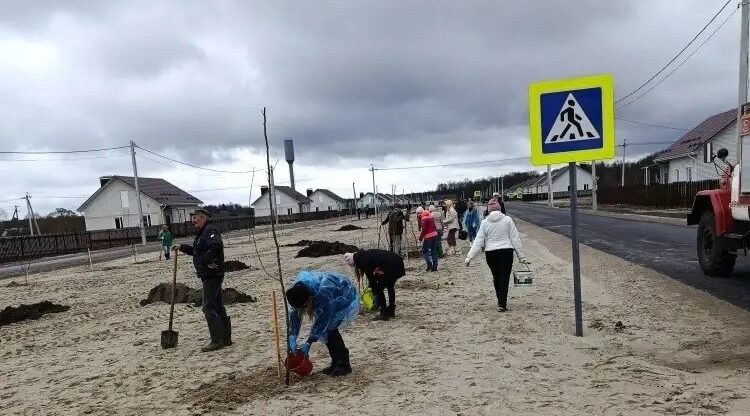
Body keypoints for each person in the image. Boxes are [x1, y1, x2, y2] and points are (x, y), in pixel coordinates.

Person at [171, 208, 229, 352]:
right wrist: (182, 247)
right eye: (192, 218)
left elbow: (216, 246)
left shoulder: (210, 230)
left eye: (195, 218)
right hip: (210, 274)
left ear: (203, 218)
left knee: (208, 307)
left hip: (212, 274)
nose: (193, 221)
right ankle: (226, 338)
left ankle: (217, 341)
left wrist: (206, 260)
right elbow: (197, 251)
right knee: (217, 306)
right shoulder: (203, 233)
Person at [286, 270, 359, 377]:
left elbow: (322, 321)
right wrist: (292, 336)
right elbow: (295, 313)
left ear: (308, 300)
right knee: (327, 332)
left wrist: (309, 342)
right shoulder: (296, 292)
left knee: (331, 330)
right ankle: (335, 362)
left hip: (343, 295)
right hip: (329, 299)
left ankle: (343, 364)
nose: (303, 309)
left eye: (304, 306)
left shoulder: (322, 294)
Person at [464, 199, 529, 312]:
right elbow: (515, 238)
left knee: (496, 276)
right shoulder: (508, 220)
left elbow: (479, 240)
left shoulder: (485, 222)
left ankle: (500, 299)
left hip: (491, 253)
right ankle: (502, 303)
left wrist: (469, 257)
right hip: (506, 252)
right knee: (505, 277)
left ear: (488, 210)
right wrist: (521, 256)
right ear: (500, 209)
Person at [344, 250, 405, 321]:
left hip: (391, 265)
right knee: (390, 285)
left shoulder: (363, 262)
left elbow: (371, 279)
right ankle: (391, 310)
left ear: (354, 262)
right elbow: (376, 265)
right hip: (397, 261)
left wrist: (374, 291)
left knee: (379, 289)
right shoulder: (364, 255)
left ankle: (383, 313)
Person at [419, 206, 439, 271]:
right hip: (435, 235)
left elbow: (424, 230)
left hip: (428, 237)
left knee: (425, 251)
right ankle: (435, 266)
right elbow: (434, 226)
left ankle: (429, 264)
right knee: (434, 251)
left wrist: (420, 238)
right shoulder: (431, 217)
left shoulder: (423, 219)